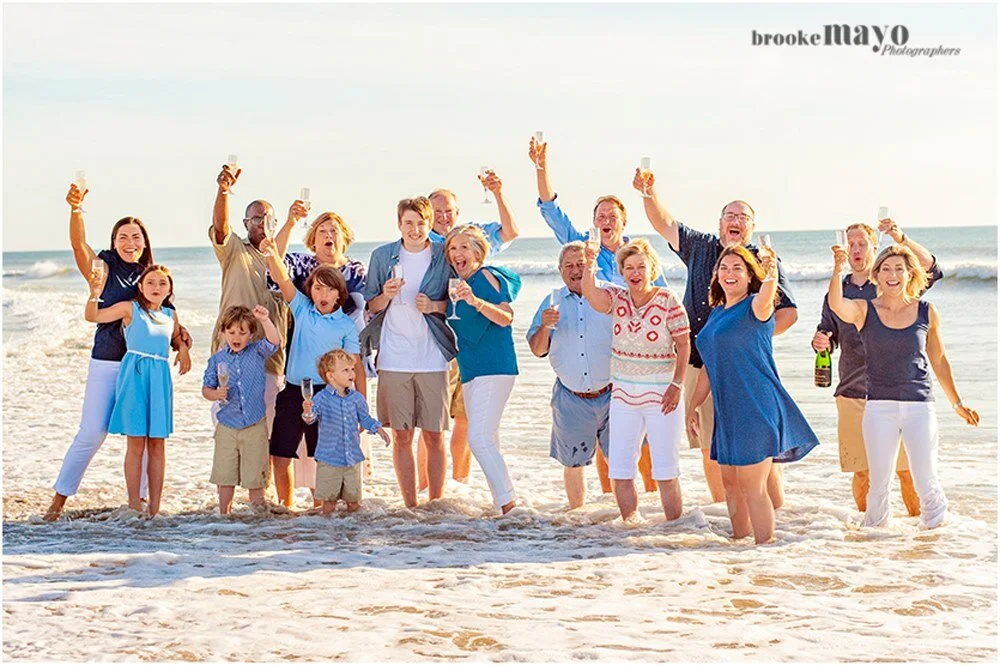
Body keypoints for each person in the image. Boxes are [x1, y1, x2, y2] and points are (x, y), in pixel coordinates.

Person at [634, 167, 796, 506]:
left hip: (748, 368)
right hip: (699, 363)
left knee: (762, 448)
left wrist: (750, 339)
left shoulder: (764, 261)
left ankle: (776, 516)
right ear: (720, 223)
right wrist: (649, 193)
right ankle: (727, 515)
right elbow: (664, 222)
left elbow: (788, 313)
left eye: (743, 217)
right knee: (710, 446)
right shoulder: (700, 246)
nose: (735, 221)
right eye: (730, 216)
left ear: (752, 227)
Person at [45, 185, 192, 521]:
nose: (129, 243)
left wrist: (183, 343)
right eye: (122, 237)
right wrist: (76, 210)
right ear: (114, 242)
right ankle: (58, 501)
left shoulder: (152, 276)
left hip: (143, 371)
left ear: (145, 242)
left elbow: (167, 322)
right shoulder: (104, 268)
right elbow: (78, 246)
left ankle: (142, 505)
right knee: (92, 432)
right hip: (108, 363)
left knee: (146, 436)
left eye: (136, 237)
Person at [529, 135, 657, 491]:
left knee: (640, 444)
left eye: (612, 216)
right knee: (603, 446)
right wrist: (541, 167)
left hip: (635, 362)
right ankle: (606, 504)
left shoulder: (639, 257)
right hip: (596, 367)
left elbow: (658, 299)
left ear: (623, 221)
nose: (605, 221)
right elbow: (551, 210)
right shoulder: (585, 253)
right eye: (600, 216)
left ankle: (650, 499)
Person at [826, 244, 979, 529]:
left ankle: (935, 537)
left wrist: (957, 403)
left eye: (899, 269)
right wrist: (837, 269)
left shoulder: (926, 312)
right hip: (878, 407)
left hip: (919, 406)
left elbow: (939, 360)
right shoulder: (864, 310)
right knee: (879, 482)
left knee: (925, 478)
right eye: (885, 269)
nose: (892, 275)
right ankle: (876, 540)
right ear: (877, 274)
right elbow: (836, 305)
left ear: (910, 274)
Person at [688, 247, 818, 544]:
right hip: (727, 411)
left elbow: (767, 296)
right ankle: (739, 546)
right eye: (724, 267)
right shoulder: (717, 313)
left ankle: (765, 549)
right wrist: (693, 405)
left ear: (749, 276)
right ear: (716, 275)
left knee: (753, 487)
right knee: (731, 485)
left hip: (756, 407)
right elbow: (708, 365)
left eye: (738, 268)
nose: (729, 273)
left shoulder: (756, 307)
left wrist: (771, 272)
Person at [813, 220, 943, 516]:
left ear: (875, 247)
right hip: (852, 390)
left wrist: (901, 238)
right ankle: (871, 536)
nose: (856, 249)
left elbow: (932, 270)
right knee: (863, 473)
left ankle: (918, 532)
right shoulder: (838, 291)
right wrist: (821, 341)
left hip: (898, 393)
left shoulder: (892, 281)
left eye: (862, 243)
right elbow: (828, 331)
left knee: (907, 472)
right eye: (851, 244)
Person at [418, 173, 521, 490]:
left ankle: (461, 484)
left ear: (457, 212)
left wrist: (498, 193)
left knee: (470, 421)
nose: (443, 217)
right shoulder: (422, 243)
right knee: (432, 421)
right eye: (437, 212)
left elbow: (511, 232)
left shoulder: (470, 238)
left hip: (472, 339)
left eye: (448, 211)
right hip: (441, 339)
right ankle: (427, 489)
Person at [580, 239, 690, 523]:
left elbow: (684, 344)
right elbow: (590, 293)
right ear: (622, 272)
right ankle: (631, 529)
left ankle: (674, 531)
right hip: (624, 397)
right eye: (629, 267)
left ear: (652, 269)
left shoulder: (667, 299)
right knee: (620, 471)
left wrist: (677, 385)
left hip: (662, 396)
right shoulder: (617, 299)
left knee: (665, 471)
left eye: (641, 266)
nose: (635, 272)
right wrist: (590, 263)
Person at [361, 197, 456, 508]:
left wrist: (435, 305)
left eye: (420, 223)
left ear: (430, 224)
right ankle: (410, 506)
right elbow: (371, 305)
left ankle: (437, 504)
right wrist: (385, 296)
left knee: (434, 436)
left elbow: (456, 302)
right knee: (402, 436)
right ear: (399, 224)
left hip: (433, 357)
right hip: (394, 357)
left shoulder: (443, 255)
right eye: (408, 223)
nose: (415, 230)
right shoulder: (382, 256)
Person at [85, 264, 192, 517]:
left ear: (169, 290)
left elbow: (176, 337)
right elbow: (93, 316)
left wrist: (184, 349)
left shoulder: (170, 314)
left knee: (157, 444)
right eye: (150, 282)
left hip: (160, 379)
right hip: (134, 376)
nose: (156, 287)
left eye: (162, 283)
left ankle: (154, 509)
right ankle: (134, 505)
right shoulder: (129, 308)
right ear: (141, 287)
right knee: (135, 443)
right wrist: (94, 292)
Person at [262, 238, 361, 507]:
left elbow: (353, 366)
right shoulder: (303, 309)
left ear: (339, 294)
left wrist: (358, 403)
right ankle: (286, 506)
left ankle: (322, 507)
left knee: (324, 457)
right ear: (310, 292)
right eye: (317, 288)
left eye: (329, 289)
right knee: (281, 453)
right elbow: (282, 279)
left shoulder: (346, 326)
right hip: (293, 391)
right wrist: (271, 253)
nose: (323, 294)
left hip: (328, 395)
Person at [527, 242, 615, 508]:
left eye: (581, 264)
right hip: (571, 397)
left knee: (621, 462)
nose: (575, 270)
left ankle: (622, 519)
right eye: (569, 266)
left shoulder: (611, 295)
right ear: (560, 270)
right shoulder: (551, 301)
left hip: (614, 394)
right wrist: (544, 326)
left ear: (592, 267)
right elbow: (537, 349)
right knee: (574, 464)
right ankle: (578, 521)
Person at [209, 164, 289, 440]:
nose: (263, 224)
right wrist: (224, 191)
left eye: (269, 220)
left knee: (267, 439)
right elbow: (221, 228)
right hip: (232, 358)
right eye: (257, 219)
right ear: (245, 224)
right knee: (230, 438)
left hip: (270, 363)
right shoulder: (234, 250)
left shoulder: (281, 265)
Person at [445, 225, 520, 514]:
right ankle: (501, 504)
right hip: (471, 370)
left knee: (477, 439)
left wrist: (475, 301)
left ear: (478, 252)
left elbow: (506, 317)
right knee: (489, 439)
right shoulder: (457, 283)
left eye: (464, 247)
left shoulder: (485, 276)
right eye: (453, 248)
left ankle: (509, 504)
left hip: (495, 366)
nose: (457, 253)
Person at [202, 305, 281, 514]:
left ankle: (257, 519)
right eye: (231, 332)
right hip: (227, 425)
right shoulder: (217, 360)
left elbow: (274, 341)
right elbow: (206, 389)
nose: (236, 337)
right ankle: (224, 516)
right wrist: (216, 394)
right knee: (225, 477)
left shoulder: (257, 351)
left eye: (242, 332)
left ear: (251, 335)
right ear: (223, 332)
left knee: (255, 478)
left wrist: (265, 320)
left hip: (254, 424)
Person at [304, 349, 391, 515]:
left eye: (352, 369)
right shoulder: (321, 398)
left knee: (354, 502)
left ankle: (352, 529)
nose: (352, 373)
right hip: (329, 459)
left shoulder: (357, 398)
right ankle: (326, 529)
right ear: (331, 376)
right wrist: (307, 411)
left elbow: (364, 419)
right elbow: (310, 419)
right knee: (328, 503)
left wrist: (378, 428)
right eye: (346, 370)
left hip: (352, 459)